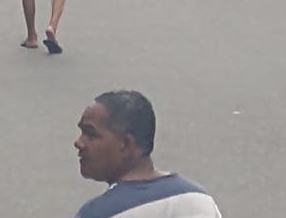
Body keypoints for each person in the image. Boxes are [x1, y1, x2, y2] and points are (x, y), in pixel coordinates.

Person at [74, 90, 223, 218]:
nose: (78, 142)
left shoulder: (98, 213)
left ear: (125, 145)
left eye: (90, 134)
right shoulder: (199, 199)